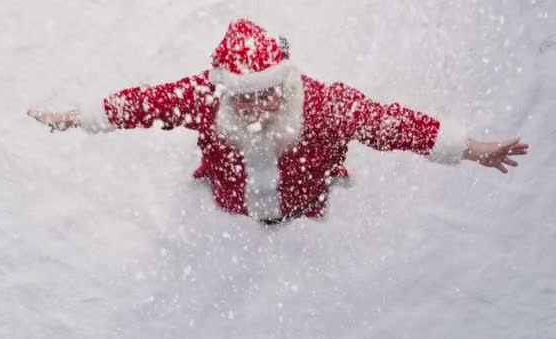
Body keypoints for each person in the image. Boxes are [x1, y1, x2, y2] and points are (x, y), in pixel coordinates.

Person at [27, 18, 529, 225]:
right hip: (230, 198)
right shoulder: (205, 97)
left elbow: (390, 124)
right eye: (242, 99)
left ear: (283, 83)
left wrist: (471, 148)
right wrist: (74, 119)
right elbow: (140, 104)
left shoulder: (324, 105)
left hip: (310, 200)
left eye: (264, 95)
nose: (252, 108)